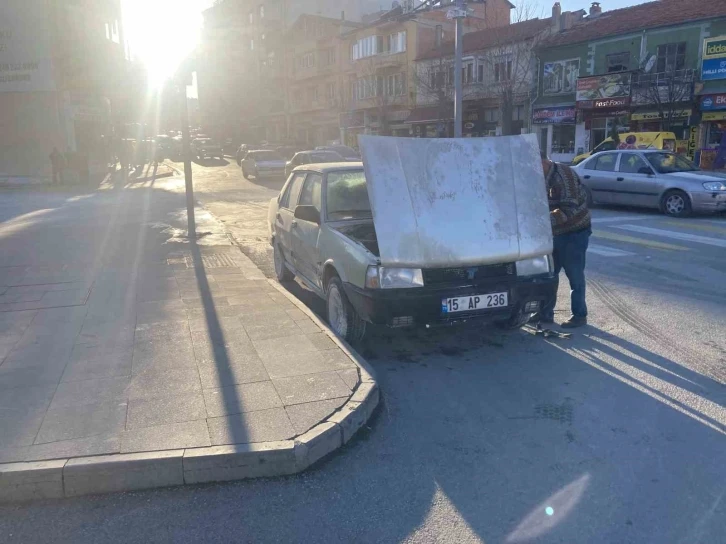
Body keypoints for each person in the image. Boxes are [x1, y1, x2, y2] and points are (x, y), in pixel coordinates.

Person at [535, 150, 592, 328]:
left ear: (544, 162)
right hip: (555, 232)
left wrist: (542, 221)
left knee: (574, 275)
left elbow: (569, 210)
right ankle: (545, 313)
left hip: (575, 231)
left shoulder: (564, 176)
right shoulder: (541, 176)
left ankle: (579, 315)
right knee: (550, 275)